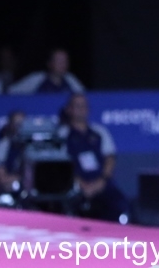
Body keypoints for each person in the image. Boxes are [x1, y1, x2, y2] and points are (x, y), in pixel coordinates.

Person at [58, 94, 129, 223]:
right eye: (77, 106)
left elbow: (110, 158)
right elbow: (61, 165)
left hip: (100, 183)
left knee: (121, 205)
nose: (81, 109)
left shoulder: (99, 132)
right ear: (69, 109)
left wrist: (101, 181)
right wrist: (80, 184)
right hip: (74, 185)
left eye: (84, 106)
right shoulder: (62, 134)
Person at [8, 49, 85, 95]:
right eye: (59, 61)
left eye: (65, 61)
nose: (63, 64)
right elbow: (12, 91)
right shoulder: (37, 78)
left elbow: (84, 95)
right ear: (49, 63)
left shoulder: (70, 79)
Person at [0, 110, 26, 194]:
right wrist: (23, 179)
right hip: (11, 190)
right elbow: (2, 178)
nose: (20, 127)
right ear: (10, 125)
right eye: (17, 124)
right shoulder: (3, 146)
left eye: (23, 124)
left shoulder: (34, 146)